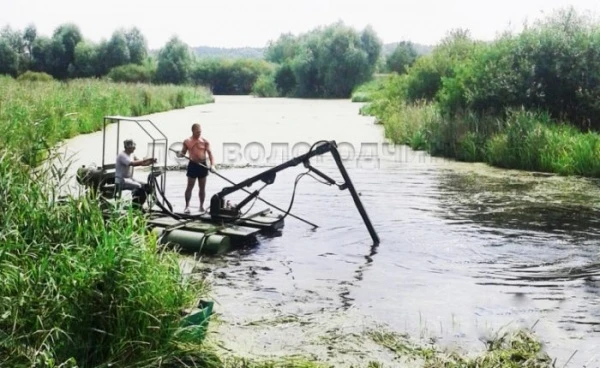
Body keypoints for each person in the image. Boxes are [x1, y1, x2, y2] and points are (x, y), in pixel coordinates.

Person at [178, 123, 214, 213]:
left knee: (202, 187)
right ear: (193, 131)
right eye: (197, 132)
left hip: (203, 165)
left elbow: (210, 154)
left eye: (200, 132)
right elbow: (182, 153)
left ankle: (201, 207)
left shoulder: (205, 141)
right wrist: (180, 155)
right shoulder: (187, 141)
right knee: (190, 186)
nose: (199, 133)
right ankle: (187, 206)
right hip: (193, 165)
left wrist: (212, 165)